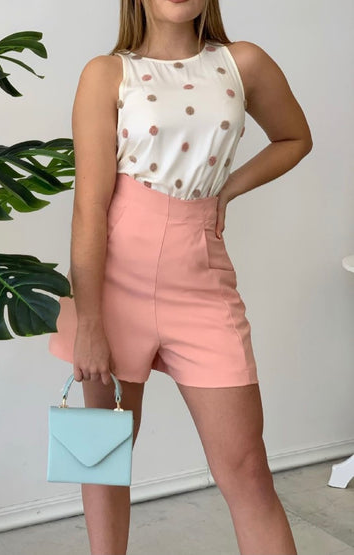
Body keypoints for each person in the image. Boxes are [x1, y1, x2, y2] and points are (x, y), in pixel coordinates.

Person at [48, 0, 312, 553]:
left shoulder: (243, 63)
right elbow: (89, 207)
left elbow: (294, 137)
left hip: (201, 277)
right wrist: (89, 321)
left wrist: (229, 188)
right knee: (103, 459)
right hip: (113, 282)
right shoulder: (106, 73)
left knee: (246, 468)